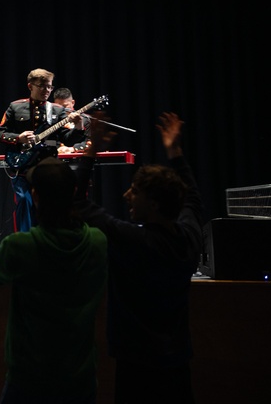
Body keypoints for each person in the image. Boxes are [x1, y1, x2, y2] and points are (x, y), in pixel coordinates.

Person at [0, 157, 108, 403]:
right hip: (80, 378)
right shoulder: (98, 241)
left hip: (29, 381)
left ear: (34, 196)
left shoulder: (23, 246)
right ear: (75, 192)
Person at [74, 112, 201, 403]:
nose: (126, 195)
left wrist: (91, 149)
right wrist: (175, 152)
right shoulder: (189, 237)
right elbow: (192, 196)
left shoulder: (133, 240)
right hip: (177, 357)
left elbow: (77, 202)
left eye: (136, 191)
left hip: (135, 361)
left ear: (154, 203)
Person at [0, 68, 85, 232]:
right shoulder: (15, 107)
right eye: (42, 86)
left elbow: (68, 138)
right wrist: (18, 138)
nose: (47, 91)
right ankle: (24, 240)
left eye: (49, 87)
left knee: (48, 205)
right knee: (23, 201)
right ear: (30, 86)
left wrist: (79, 126)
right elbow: (0, 133)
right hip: (22, 165)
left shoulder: (57, 110)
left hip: (46, 165)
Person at [51, 87, 90, 153]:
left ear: (73, 102)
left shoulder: (85, 120)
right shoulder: (53, 120)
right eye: (58, 107)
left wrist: (73, 149)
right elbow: (50, 140)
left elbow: (90, 142)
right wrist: (58, 147)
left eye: (65, 106)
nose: (62, 110)